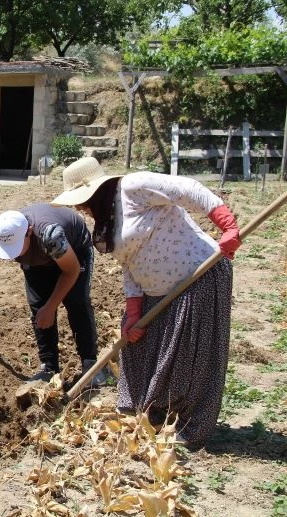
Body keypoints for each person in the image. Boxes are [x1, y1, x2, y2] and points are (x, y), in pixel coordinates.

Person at [51, 156, 241, 446]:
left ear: (97, 190)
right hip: (155, 293)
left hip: (198, 276)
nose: (79, 208)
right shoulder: (105, 225)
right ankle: (147, 414)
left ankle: (188, 427)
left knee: (187, 359)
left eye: (82, 200)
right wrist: (133, 312)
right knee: (136, 350)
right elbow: (129, 267)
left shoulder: (135, 187)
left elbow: (189, 188)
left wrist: (226, 225)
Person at [0, 204, 106, 385]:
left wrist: (52, 306)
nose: (12, 255)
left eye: (16, 247)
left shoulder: (50, 235)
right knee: (38, 307)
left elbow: (71, 271)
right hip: (38, 260)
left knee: (76, 301)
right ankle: (49, 368)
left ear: (29, 231)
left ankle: (90, 363)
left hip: (74, 249)